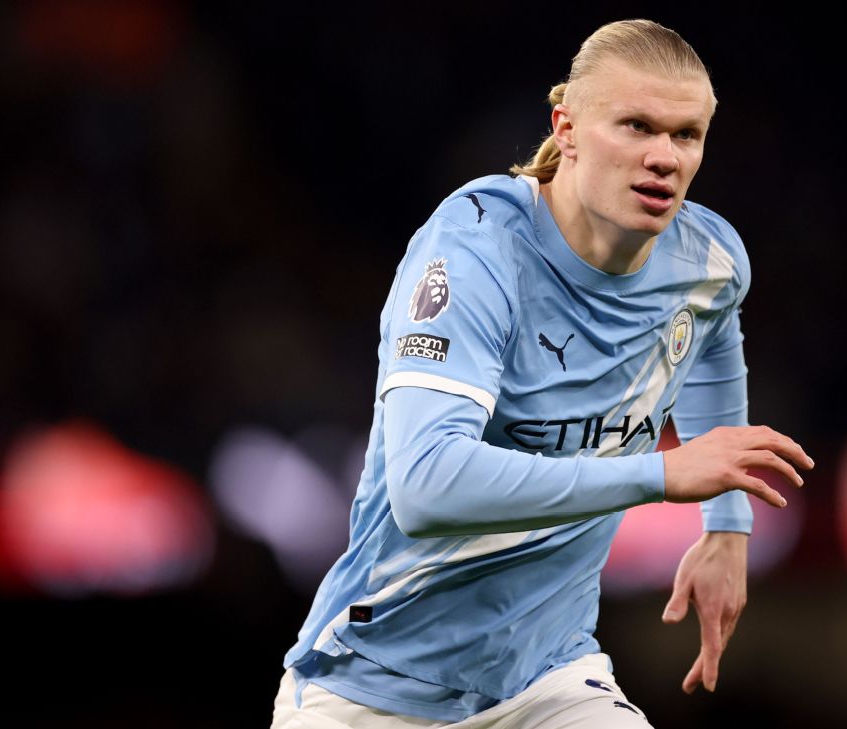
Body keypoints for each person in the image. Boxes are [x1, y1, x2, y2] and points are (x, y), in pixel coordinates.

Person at [271, 18, 814, 729]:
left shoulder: (707, 260)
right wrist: (662, 474)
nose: (664, 157)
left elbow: (710, 337)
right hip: (371, 688)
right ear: (568, 129)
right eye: (636, 126)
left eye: (686, 135)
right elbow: (426, 484)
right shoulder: (474, 252)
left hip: (545, 680)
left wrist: (727, 527)